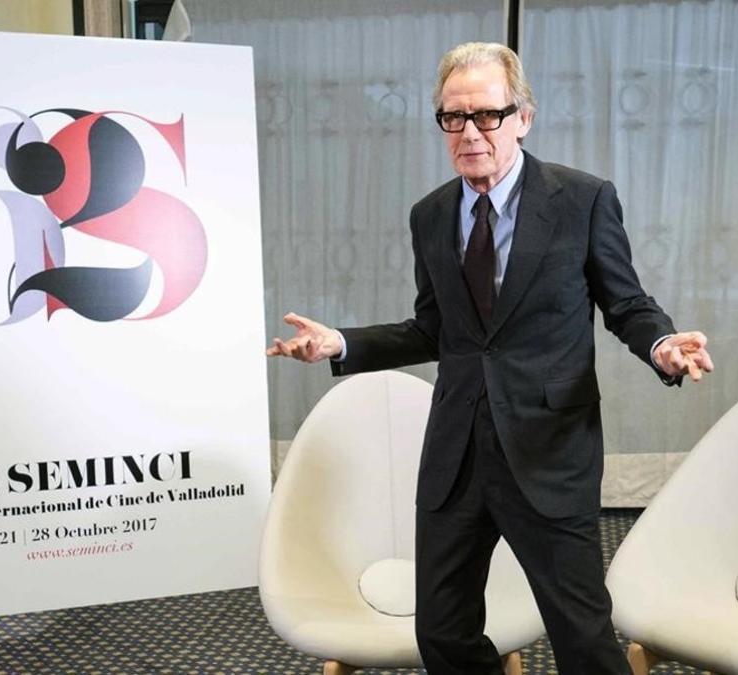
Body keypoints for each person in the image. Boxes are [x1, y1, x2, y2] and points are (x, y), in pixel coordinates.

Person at [266, 42, 713, 675]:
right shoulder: (431, 215)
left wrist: (662, 344)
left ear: (522, 116)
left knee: (582, 636)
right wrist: (340, 342)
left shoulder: (582, 199)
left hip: (548, 448)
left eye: (487, 115)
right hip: (458, 451)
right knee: (443, 632)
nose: (470, 132)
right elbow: (434, 329)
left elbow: (627, 302)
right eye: (454, 117)